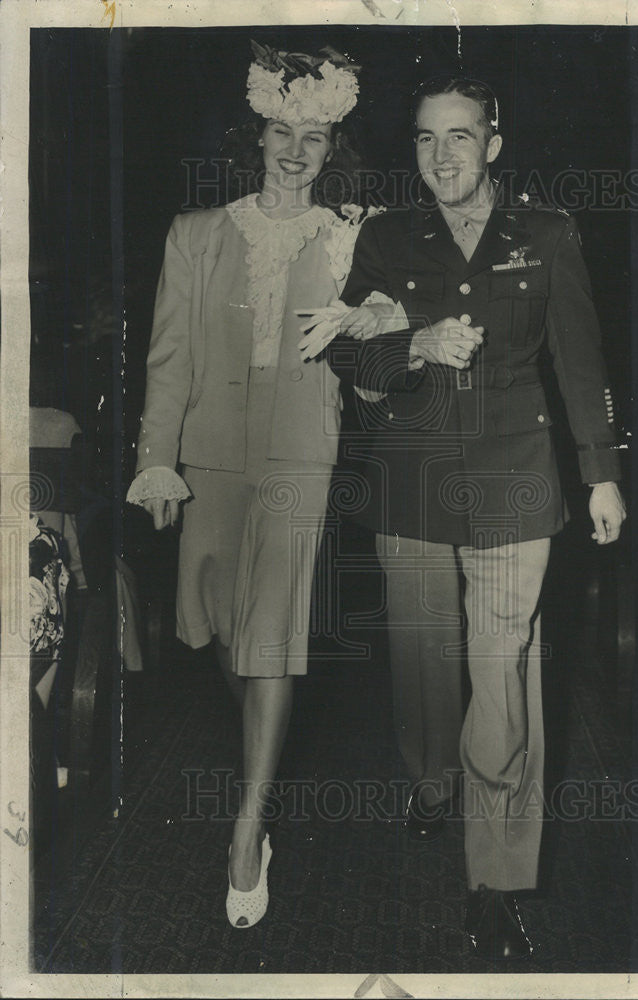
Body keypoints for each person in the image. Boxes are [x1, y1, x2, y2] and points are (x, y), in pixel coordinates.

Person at [337, 75, 626, 959]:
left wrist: (601, 476)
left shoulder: (546, 233)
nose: (442, 156)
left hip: (516, 479)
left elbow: (581, 363)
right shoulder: (385, 236)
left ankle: (496, 876)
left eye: (460, 137)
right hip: (413, 478)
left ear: (493, 144)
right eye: (426, 140)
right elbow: (347, 354)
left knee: (502, 670)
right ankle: (431, 780)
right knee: (425, 656)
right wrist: (411, 345)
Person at [126, 42, 390, 929]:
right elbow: (167, 360)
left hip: (300, 455)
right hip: (207, 455)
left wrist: (378, 315)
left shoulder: (355, 232)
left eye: (313, 138)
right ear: (257, 136)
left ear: (332, 149)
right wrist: (154, 457)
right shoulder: (195, 234)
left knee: (270, 635)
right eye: (282, 131)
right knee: (218, 635)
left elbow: (381, 360)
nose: (294, 151)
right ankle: (261, 763)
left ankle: (248, 830)